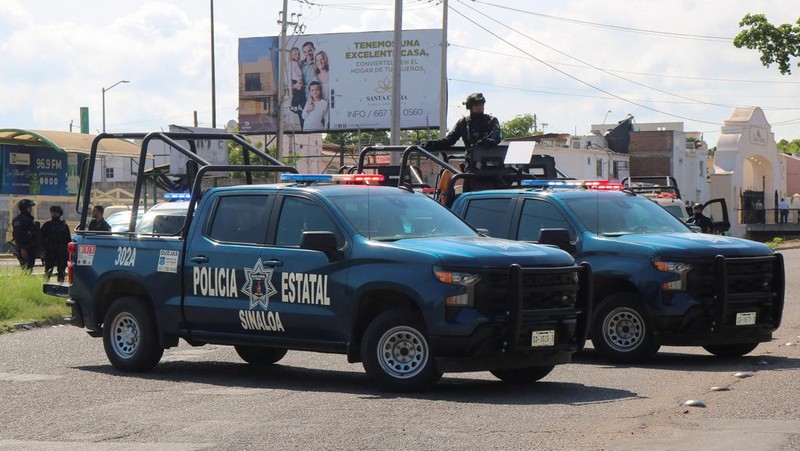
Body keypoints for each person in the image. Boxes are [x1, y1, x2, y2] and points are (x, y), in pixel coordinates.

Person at [423, 92, 502, 172]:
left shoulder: (491, 120)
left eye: (481, 105)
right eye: (476, 105)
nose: (479, 107)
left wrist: (488, 142)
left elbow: (496, 137)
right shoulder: (463, 123)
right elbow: (450, 140)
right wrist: (433, 144)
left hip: (491, 164)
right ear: (470, 107)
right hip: (471, 165)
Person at [41, 205, 71, 282]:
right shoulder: (47, 225)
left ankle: (60, 285)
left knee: (61, 271)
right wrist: (42, 251)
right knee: (48, 271)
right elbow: (40, 238)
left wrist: (68, 253)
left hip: (61, 251)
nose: (54, 214)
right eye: (52, 212)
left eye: (55, 213)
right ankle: (45, 285)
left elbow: (68, 240)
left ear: (59, 214)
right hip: (50, 251)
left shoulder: (64, 226)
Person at [12, 199, 40, 271]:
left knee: (29, 269)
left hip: (30, 248)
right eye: (29, 207)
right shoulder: (19, 219)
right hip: (25, 249)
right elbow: (17, 235)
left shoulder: (28, 219)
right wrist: (22, 248)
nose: (31, 209)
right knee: (26, 269)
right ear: (25, 208)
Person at [288, 47, 306, 124]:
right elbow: (289, 77)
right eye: (295, 54)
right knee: (301, 108)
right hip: (297, 85)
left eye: (298, 54)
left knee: (301, 109)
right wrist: (295, 85)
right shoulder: (292, 63)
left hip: (299, 86)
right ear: (291, 55)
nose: (297, 56)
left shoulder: (297, 63)